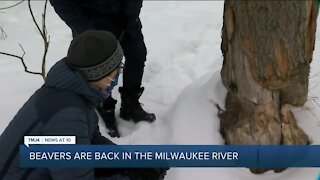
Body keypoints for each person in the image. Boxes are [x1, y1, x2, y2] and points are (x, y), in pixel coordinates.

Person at [0, 30, 166, 180]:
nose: (118, 75)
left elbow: (92, 142)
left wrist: (132, 163)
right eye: (116, 69)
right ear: (99, 74)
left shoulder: (72, 92)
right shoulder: (67, 116)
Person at [49, 0, 156, 138]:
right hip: (90, 21)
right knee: (98, 66)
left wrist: (132, 13)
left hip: (124, 17)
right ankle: (105, 106)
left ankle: (130, 104)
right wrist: (85, 28)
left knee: (137, 54)